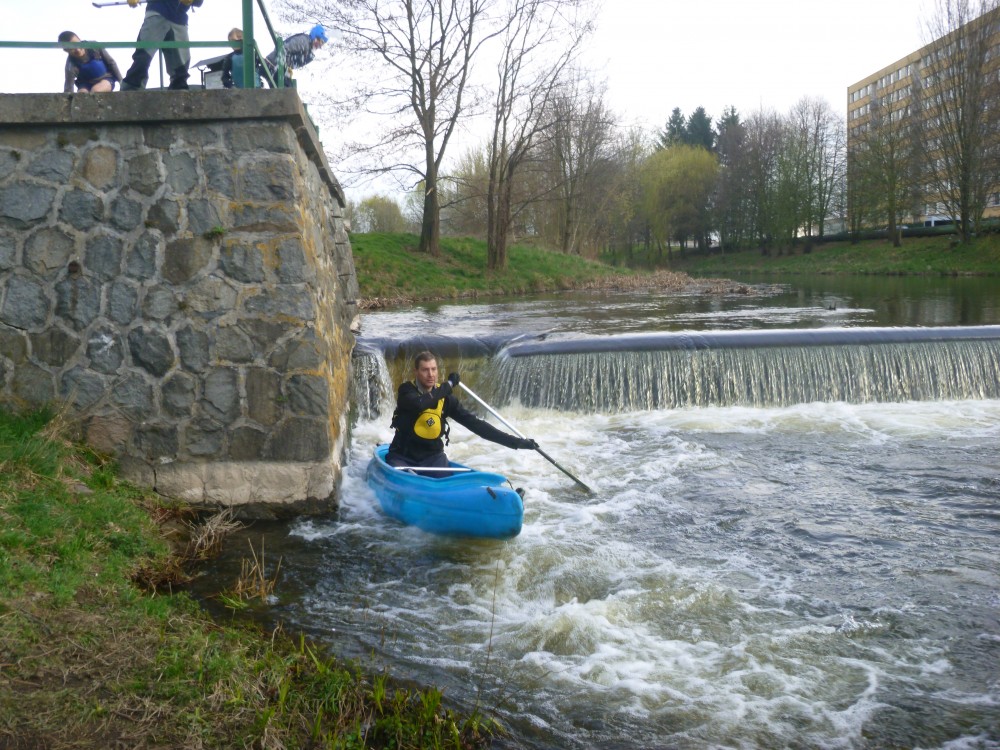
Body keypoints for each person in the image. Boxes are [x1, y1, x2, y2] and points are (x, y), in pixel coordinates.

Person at [386, 351, 537, 473]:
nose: (430, 374)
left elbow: (477, 426)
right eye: (425, 370)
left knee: (444, 478)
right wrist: (449, 385)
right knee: (402, 474)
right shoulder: (406, 391)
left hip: (432, 458)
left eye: (434, 369)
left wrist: (517, 443)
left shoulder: (447, 400)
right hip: (403, 457)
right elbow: (420, 404)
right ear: (416, 372)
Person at [120, 0, 204, 91]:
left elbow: (199, 2)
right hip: (157, 13)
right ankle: (131, 89)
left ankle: (179, 92)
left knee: (180, 69)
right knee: (143, 58)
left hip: (179, 20)